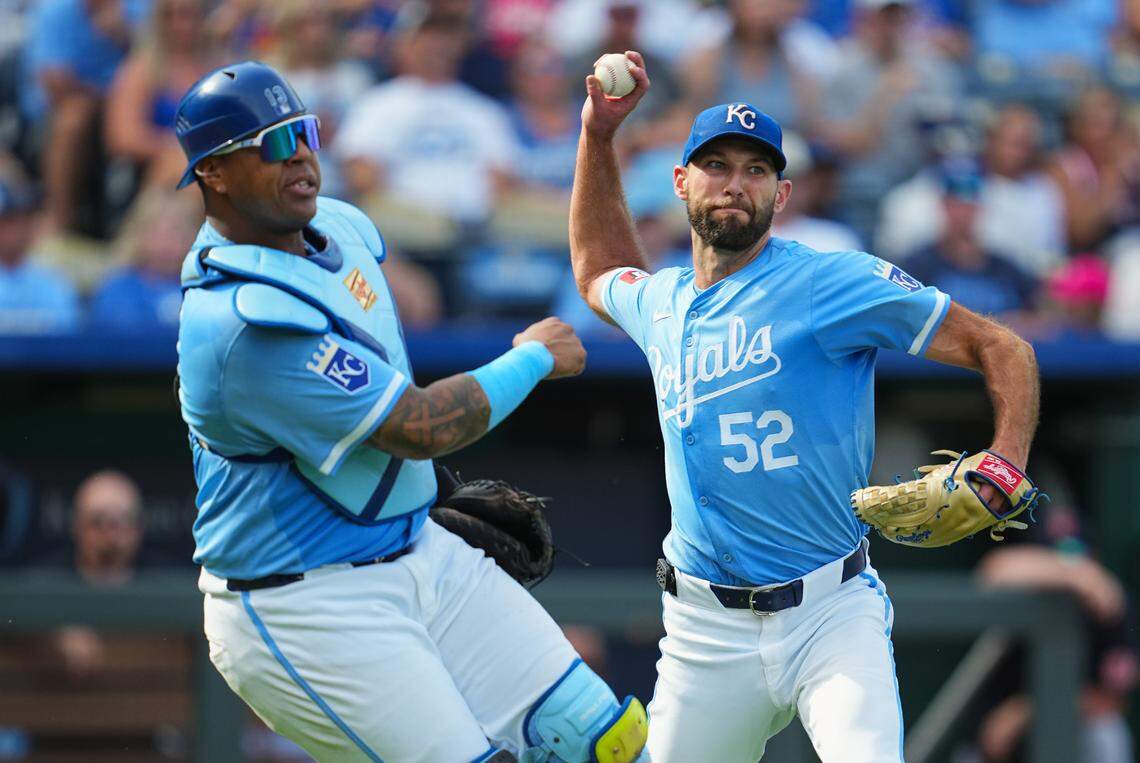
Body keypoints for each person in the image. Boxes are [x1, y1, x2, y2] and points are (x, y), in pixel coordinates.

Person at [568, 52, 1040, 762]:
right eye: (718, 165)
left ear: (781, 195)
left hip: (830, 611)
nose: (736, 184)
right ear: (681, 182)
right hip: (704, 632)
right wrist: (598, 138)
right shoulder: (661, 301)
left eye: (756, 170)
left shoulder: (831, 283)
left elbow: (1002, 345)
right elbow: (599, 269)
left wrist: (1005, 460)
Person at [173, 61, 649, 762]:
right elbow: (420, 425)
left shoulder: (339, 228)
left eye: (303, 132)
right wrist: (533, 357)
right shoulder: (238, 323)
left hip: (414, 550)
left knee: (602, 740)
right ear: (213, 172)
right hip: (302, 605)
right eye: (273, 144)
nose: (302, 155)